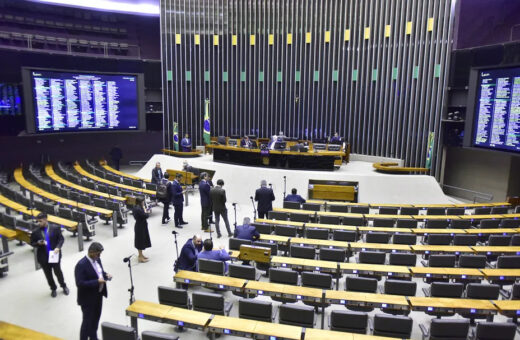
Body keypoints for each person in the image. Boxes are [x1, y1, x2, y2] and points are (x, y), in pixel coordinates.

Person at [75, 242, 112, 340]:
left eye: (100, 254)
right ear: (91, 252)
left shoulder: (98, 259)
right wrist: (96, 281)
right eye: (98, 254)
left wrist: (106, 275)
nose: (99, 256)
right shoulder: (81, 265)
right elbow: (80, 283)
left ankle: (93, 337)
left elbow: (99, 272)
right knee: (87, 323)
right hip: (87, 299)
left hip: (98, 296)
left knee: (95, 319)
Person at [30, 212, 69, 297]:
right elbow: (32, 243)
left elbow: (61, 239)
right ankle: (53, 288)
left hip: (54, 255)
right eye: (37, 221)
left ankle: (63, 286)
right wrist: (38, 243)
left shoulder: (55, 228)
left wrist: (58, 247)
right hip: (43, 257)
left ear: (45, 220)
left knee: (58, 272)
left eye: (40, 221)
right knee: (48, 275)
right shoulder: (35, 232)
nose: (38, 223)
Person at [133, 196, 151, 263]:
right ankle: (140, 257)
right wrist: (147, 212)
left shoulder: (136, 207)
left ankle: (141, 254)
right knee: (140, 242)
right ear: (140, 202)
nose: (144, 203)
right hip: (140, 227)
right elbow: (145, 216)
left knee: (141, 241)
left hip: (140, 225)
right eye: (143, 202)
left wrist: (144, 210)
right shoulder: (138, 209)